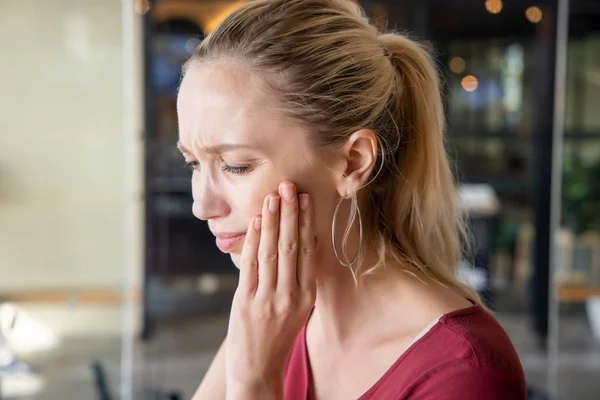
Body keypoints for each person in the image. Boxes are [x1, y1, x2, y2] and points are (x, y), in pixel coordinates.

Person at [177, 0, 527, 398]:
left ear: (353, 162)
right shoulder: (272, 318)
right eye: (192, 163)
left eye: (235, 165)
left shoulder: (464, 373)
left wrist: (255, 382)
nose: (202, 206)